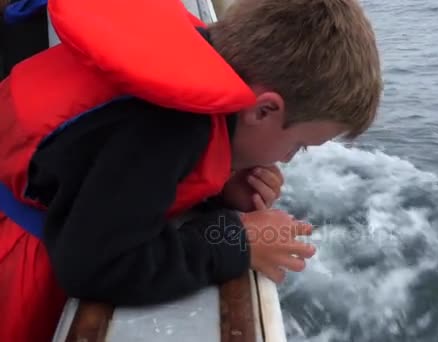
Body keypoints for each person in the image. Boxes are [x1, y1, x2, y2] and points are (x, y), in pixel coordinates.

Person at [0, 0, 382, 340]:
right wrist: (235, 242)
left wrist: (219, 187)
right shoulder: (171, 126)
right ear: (264, 110)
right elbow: (96, 265)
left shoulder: (199, 69)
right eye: (298, 145)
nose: (287, 159)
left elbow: (118, 166)